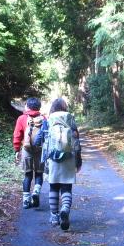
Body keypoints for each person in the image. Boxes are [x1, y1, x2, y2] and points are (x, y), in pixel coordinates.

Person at [38, 98, 82, 230]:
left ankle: (54, 216)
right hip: (69, 157)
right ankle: (65, 209)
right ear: (65, 107)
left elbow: (41, 139)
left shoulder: (48, 120)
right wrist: (79, 160)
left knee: (54, 187)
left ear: (53, 107)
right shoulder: (70, 119)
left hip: (53, 158)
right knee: (66, 187)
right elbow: (76, 141)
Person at [12, 97, 46, 209]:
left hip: (27, 150)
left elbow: (17, 135)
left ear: (27, 106)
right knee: (39, 174)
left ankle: (26, 201)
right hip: (40, 150)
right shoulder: (44, 119)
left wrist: (17, 149)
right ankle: (36, 191)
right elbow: (47, 135)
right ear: (39, 107)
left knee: (28, 175)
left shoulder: (22, 118)